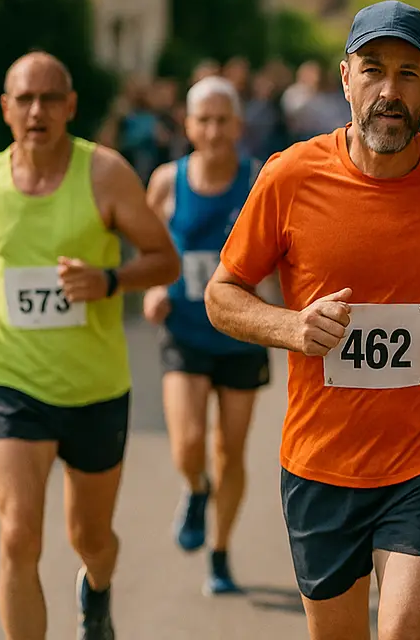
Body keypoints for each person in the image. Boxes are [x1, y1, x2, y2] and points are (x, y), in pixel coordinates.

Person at [205, 1, 420, 640]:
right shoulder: (289, 176)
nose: (389, 91)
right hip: (320, 464)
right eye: (373, 70)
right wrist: (288, 328)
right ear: (345, 79)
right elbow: (222, 293)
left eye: (407, 73)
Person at [0, 51, 182, 640]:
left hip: (95, 389)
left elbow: (165, 260)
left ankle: (96, 590)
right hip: (13, 382)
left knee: (91, 538)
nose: (37, 111)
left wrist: (107, 280)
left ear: (70, 106)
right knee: (17, 535)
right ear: (5, 109)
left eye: (50, 98)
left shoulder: (105, 175)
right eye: (24, 99)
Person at [141, 76, 271, 596]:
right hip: (186, 331)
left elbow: (281, 251)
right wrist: (153, 286)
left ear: (238, 125)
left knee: (230, 449)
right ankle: (195, 489)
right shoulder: (167, 182)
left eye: (224, 120)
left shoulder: (257, 179)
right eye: (204, 120)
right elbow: (148, 246)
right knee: (190, 441)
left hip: (241, 332)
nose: (214, 131)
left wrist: (284, 311)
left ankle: (219, 552)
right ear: (188, 125)